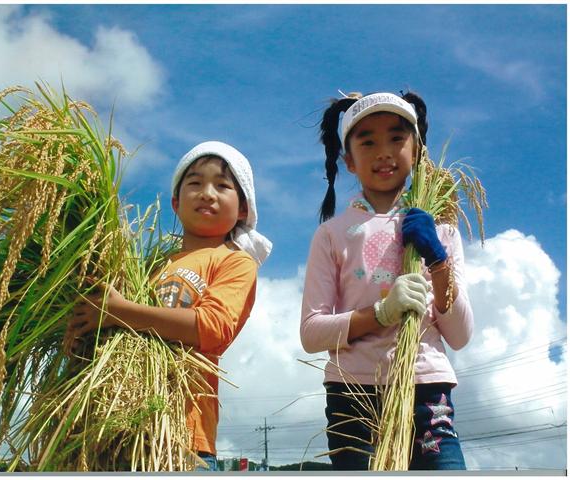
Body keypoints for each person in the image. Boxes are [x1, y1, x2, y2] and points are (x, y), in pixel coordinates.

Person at [65, 141, 272, 471]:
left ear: (244, 209)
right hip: (113, 429)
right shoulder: (147, 265)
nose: (206, 193)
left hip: (182, 438)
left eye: (222, 185)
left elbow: (212, 327)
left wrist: (118, 312)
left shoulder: (235, 262)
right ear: (175, 202)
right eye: (194, 183)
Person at [300, 91, 472, 470]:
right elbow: (312, 334)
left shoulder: (441, 232)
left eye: (397, 138)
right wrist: (381, 312)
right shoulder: (332, 234)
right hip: (353, 393)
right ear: (348, 160)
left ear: (417, 149)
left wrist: (437, 261)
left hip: (427, 388)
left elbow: (459, 335)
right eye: (368, 141)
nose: (384, 151)